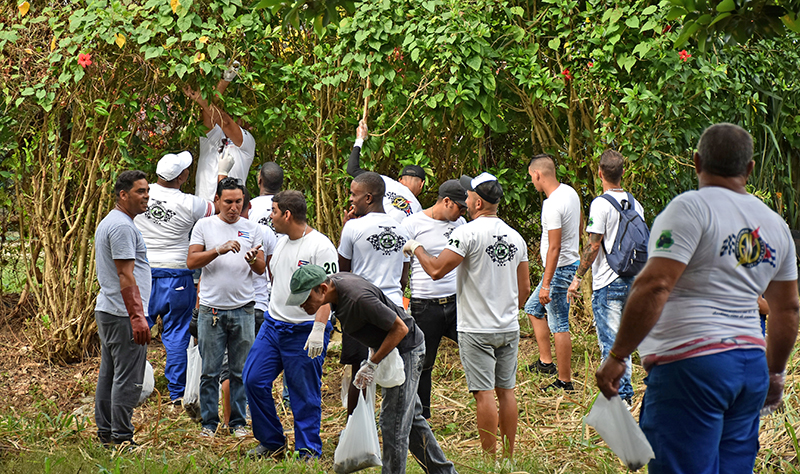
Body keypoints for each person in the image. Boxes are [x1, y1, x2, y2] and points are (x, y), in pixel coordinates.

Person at [596, 123, 799, 474]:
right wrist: (776, 373)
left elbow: (655, 285)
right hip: (750, 366)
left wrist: (618, 355)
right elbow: (788, 308)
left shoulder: (689, 208)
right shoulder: (774, 225)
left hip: (691, 368)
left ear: (696, 162)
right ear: (749, 169)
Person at [404, 173, 529, 459]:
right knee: (506, 391)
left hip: (476, 328)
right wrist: (507, 310)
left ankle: (489, 460)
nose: (466, 200)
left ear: (478, 201)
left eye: (469, 195)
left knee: (484, 394)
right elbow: (524, 289)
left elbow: (436, 270)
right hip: (508, 326)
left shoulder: (467, 233)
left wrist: (417, 247)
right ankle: (508, 459)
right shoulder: (515, 237)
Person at [289, 265, 457, 474]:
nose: (303, 306)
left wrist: (372, 364)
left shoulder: (358, 298)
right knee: (409, 420)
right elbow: (335, 307)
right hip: (392, 349)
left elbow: (400, 329)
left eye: (305, 300)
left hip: (406, 350)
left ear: (322, 289)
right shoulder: (334, 286)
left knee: (392, 423)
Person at [242, 190, 338, 459]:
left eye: (273, 211)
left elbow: (329, 293)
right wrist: (255, 261)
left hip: (304, 330)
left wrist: (319, 330)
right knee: (253, 380)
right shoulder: (281, 242)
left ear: (287, 214)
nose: (269, 217)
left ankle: (308, 450)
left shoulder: (320, 246)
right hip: (273, 326)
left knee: (303, 393)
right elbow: (270, 273)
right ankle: (272, 442)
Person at [186, 177, 265, 438]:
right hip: (212, 311)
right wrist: (217, 250)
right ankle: (209, 423)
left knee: (241, 371)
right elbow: (192, 261)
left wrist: (253, 261)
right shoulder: (204, 226)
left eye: (238, 202)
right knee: (210, 371)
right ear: (217, 200)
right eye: (228, 202)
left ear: (244, 202)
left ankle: (238, 423)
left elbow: (261, 267)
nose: (233, 207)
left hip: (244, 309)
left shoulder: (252, 228)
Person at [133, 152, 214, 405]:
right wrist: (221, 172)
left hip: (143, 272)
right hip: (177, 274)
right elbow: (219, 207)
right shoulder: (191, 203)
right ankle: (178, 394)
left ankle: (133, 386)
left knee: (137, 330)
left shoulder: (140, 196)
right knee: (177, 334)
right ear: (182, 176)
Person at [565, 150, 643, 405]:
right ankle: (626, 397)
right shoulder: (635, 203)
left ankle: (619, 401)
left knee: (611, 345)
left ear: (600, 173)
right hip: (632, 278)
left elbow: (594, 245)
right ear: (623, 173)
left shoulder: (600, 204)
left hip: (607, 283)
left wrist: (578, 277)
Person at [338, 171, 411, 414]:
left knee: (360, 372)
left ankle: (355, 429)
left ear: (368, 198)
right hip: (392, 308)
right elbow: (403, 277)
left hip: (360, 307)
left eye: (354, 195)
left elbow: (343, 272)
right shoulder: (402, 230)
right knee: (389, 371)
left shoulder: (353, 228)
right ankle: (388, 422)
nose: (351, 200)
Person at [94, 170, 152, 446]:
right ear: (123, 195)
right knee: (127, 378)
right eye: (140, 191)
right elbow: (125, 275)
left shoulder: (114, 221)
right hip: (121, 314)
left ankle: (107, 433)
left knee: (110, 374)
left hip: (111, 310)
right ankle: (121, 438)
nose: (146, 196)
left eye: (147, 191)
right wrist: (137, 317)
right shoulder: (122, 227)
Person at [401, 179, 467, 419]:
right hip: (425, 303)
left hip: (456, 302)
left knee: (472, 349)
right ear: (446, 201)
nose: (462, 212)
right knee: (423, 362)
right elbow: (403, 264)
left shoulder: (460, 223)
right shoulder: (412, 224)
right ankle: (422, 416)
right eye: (460, 207)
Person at [524, 154, 581, 392]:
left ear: (538, 174)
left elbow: (554, 247)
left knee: (559, 323)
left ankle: (564, 381)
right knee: (532, 308)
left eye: (531, 178)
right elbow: (579, 227)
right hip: (567, 264)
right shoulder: (570, 192)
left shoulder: (552, 204)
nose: (533, 182)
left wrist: (547, 283)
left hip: (559, 269)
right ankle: (546, 362)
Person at [184, 64, 256, 202]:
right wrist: (226, 79)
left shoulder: (247, 142)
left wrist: (200, 100)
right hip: (205, 209)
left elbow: (225, 121)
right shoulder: (211, 136)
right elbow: (210, 109)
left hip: (231, 208)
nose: (236, 118)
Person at [347, 120, 423, 223]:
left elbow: (352, 169)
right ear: (421, 185)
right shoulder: (418, 211)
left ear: (400, 180)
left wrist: (360, 139)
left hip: (370, 227)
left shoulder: (385, 181)